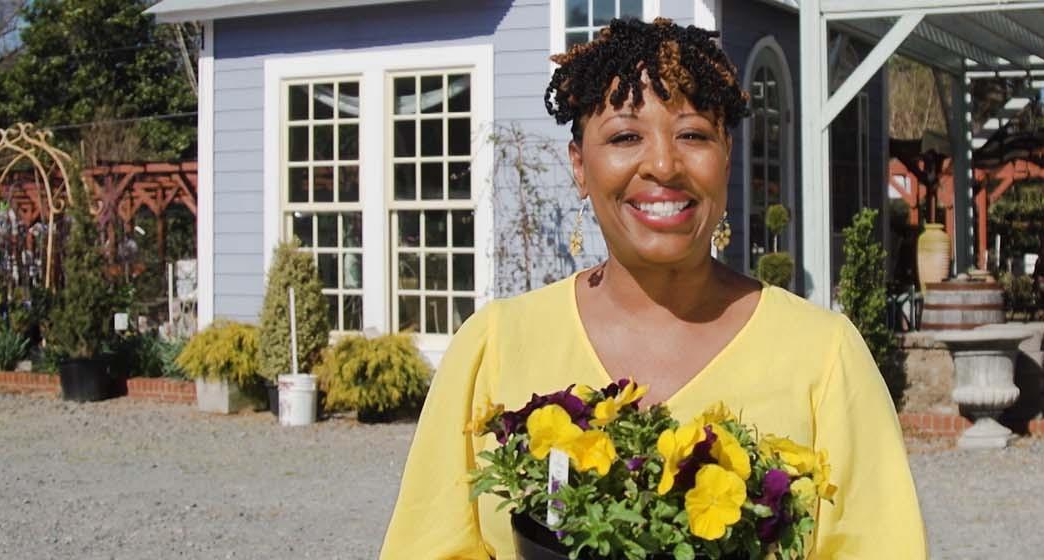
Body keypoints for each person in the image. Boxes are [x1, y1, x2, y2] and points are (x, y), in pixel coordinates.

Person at [380, 18, 928, 559]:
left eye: (693, 135)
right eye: (624, 136)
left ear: (726, 157)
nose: (664, 164)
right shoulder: (495, 349)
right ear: (579, 166)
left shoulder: (824, 356)